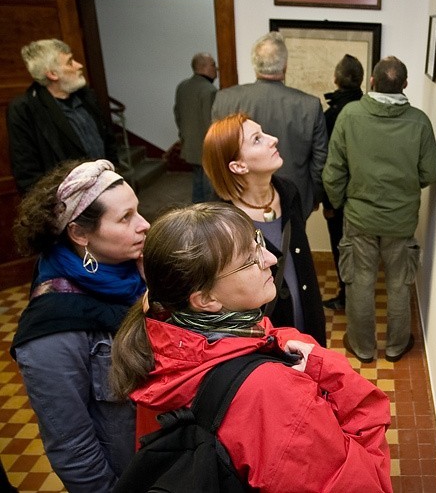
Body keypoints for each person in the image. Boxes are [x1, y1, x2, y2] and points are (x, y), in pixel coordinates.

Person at [109, 202, 392, 492]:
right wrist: (328, 369)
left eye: (257, 241)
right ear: (205, 300)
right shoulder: (270, 390)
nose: (270, 258)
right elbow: (367, 484)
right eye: (249, 259)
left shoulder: (156, 340)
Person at [11, 159, 149, 492]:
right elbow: (72, 447)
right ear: (80, 233)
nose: (144, 224)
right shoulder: (52, 328)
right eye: (125, 218)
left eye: (138, 210)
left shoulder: (139, 274)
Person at [323, 56, 436, 363]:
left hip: (359, 219)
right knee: (399, 284)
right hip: (401, 222)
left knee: (360, 282)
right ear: (404, 85)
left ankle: (363, 348)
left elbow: (333, 171)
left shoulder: (350, 115)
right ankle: (395, 346)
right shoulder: (418, 121)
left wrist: (339, 204)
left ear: (372, 82)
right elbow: (430, 172)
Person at [203, 112, 326, 346]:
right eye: (257, 139)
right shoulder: (220, 221)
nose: (273, 139)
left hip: (308, 321)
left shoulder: (289, 192)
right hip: (264, 339)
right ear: (238, 166)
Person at [211, 31, 327, 218]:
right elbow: (320, 161)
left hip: (237, 198)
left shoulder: (225, 99)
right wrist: (314, 197)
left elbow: (215, 154)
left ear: (255, 65)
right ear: (285, 66)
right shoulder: (310, 105)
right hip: (295, 200)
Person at [7, 39, 119, 194]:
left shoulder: (87, 96)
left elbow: (108, 140)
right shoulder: (24, 109)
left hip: (106, 188)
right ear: (52, 74)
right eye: (70, 62)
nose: (79, 66)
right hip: (67, 202)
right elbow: (26, 171)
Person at [321, 54, 365, 311]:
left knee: (340, 247)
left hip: (339, 198)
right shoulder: (367, 110)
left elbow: (329, 164)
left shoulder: (331, 115)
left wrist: (328, 201)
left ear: (336, 79)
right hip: (364, 195)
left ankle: (347, 297)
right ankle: (357, 297)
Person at [174, 52, 218, 203]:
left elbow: (177, 115)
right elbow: (211, 123)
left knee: (197, 183)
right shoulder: (209, 91)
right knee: (209, 189)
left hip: (190, 145)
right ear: (203, 67)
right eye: (213, 64)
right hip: (206, 147)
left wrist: (184, 138)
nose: (216, 68)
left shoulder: (182, 86)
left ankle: (196, 213)